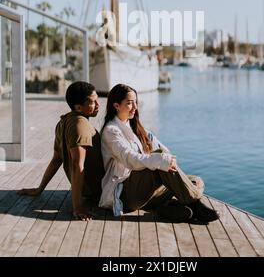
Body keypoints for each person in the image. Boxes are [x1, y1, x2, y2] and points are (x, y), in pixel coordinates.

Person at [99, 83, 219, 223]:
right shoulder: (111, 131)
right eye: (130, 103)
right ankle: (195, 204)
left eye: (136, 102)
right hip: (126, 194)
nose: (136, 107)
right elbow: (130, 159)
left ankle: (166, 209)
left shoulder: (131, 126)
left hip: (144, 194)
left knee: (195, 181)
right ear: (116, 105)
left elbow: (163, 150)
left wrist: (164, 161)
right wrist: (160, 160)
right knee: (161, 160)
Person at [18, 81, 103, 221]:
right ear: (78, 107)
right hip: (99, 191)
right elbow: (77, 165)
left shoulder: (63, 122)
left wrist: (39, 189)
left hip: (90, 190)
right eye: (93, 102)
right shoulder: (80, 126)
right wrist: (78, 207)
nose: (98, 105)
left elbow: (56, 160)